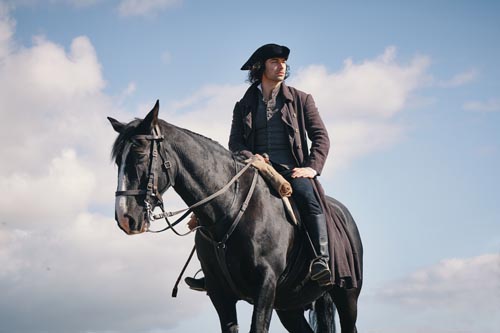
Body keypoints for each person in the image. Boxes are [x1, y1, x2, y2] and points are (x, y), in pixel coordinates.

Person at [185, 43, 332, 290]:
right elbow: (235, 142)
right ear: (260, 67)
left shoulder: (301, 99)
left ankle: (321, 259)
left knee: (308, 198)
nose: (281, 66)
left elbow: (321, 137)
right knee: (213, 203)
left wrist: (311, 168)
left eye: (283, 62)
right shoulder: (243, 105)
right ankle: (212, 272)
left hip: (291, 170)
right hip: (255, 168)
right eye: (274, 61)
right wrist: (251, 157)